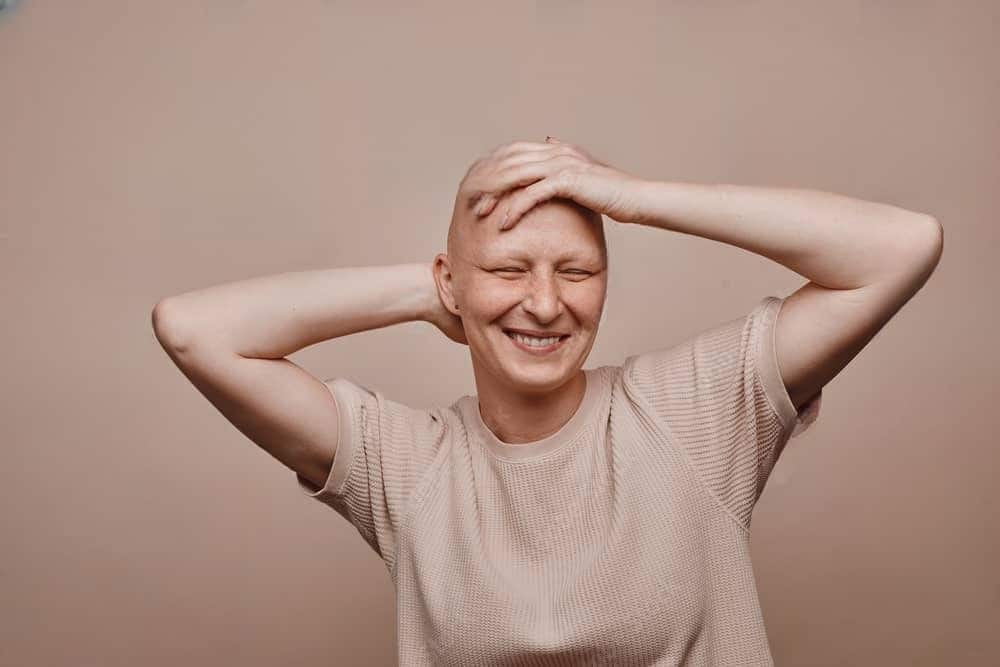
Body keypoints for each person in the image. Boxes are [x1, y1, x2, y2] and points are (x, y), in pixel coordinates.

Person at [152, 136, 942, 665]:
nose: (544, 303)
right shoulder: (409, 467)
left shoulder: (691, 412)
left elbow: (900, 248)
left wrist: (629, 196)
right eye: (508, 271)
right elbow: (193, 330)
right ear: (451, 278)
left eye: (577, 271)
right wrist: (436, 291)